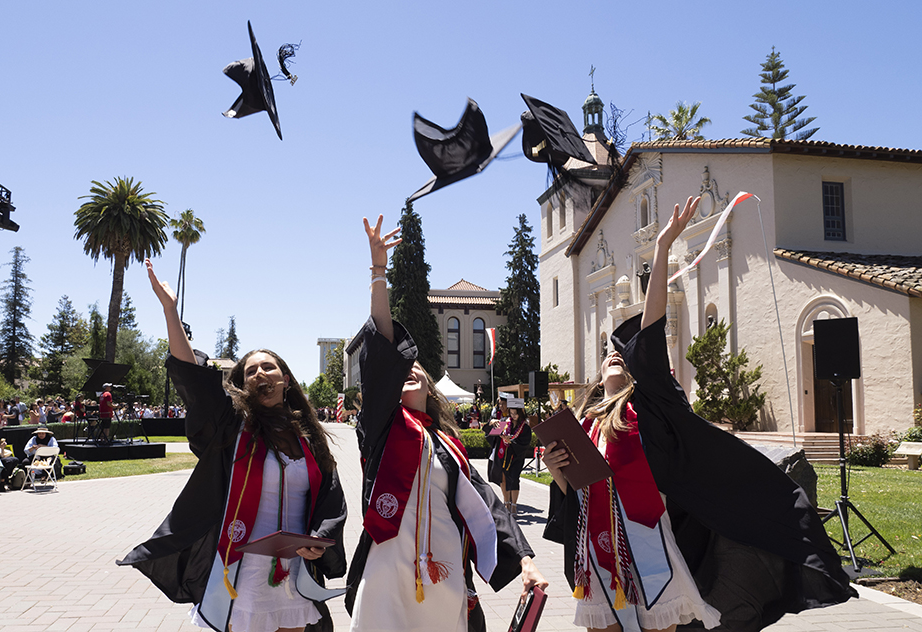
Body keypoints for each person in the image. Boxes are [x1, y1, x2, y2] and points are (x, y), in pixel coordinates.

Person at [543, 197, 855, 631]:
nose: (615, 357)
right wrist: (558, 472)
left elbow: (650, 330)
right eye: (608, 355)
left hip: (654, 545)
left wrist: (665, 245)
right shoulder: (585, 424)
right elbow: (575, 495)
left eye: (624, 354)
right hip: (602, 550)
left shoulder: (651, 409)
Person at [118, 259, 347, 632]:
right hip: (242, 565)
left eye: (269, 367)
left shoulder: (308, 439)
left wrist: (321, 540)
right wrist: (170, 311)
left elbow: (331, 499)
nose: (260, 373)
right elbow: (193, 378)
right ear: (243, 384)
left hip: (295, 568)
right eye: (251, 371)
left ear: (285, 379)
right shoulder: (234, 429)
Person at [346, 216, 547, 632]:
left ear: (429, 385)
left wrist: (526, 562)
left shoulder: (447, 444)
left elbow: (486, 507)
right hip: (388, 561)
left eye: (415, 368)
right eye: (401, 369)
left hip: (445, 567)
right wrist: (378, 274)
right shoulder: (382, 426)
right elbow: (383, 351)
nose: (408, 371)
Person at [485, 398, 531, 516]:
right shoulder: (505, 423)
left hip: (516, 457)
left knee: (514, 478)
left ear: (520, 413)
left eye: (516, 413)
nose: (513, 415)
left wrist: (511, 442)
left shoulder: (525, 427)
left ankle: (514, 505)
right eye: (511, 413)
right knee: (503, 478)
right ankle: (506, 503)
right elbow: (490, 433)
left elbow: (525, 443)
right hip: (503, 455)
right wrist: (491, 423)